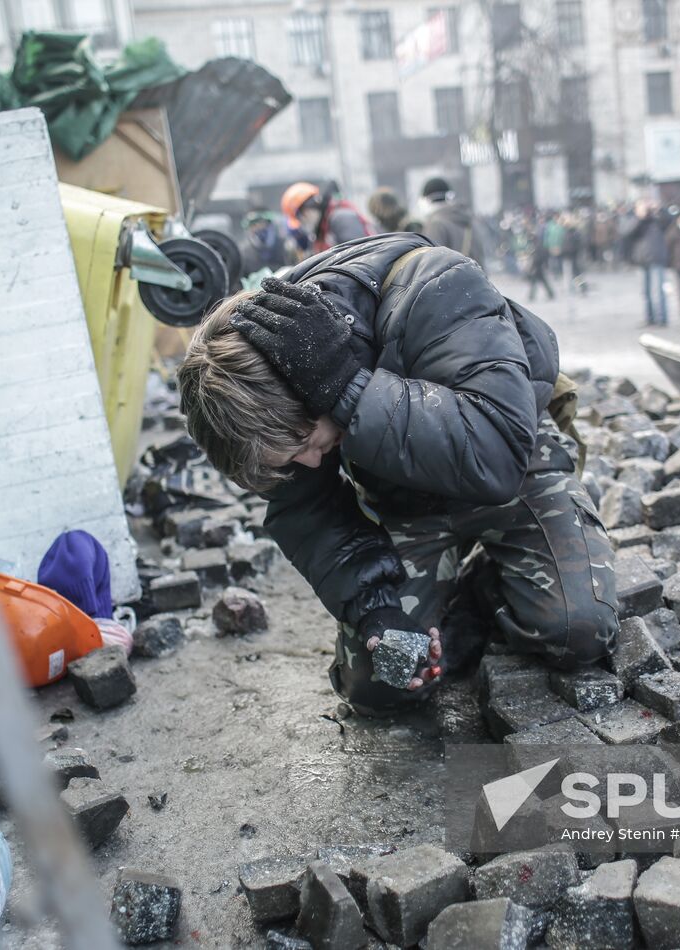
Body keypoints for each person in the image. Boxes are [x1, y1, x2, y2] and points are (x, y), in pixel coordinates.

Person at [176, 233, 619, 715]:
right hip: (405, 497)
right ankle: (462, 604)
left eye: (305, 446)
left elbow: (496, 455)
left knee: (579, 631)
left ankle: (494, 581)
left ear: (313, 386)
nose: (308, 463)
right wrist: (375, 610)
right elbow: (305, 508)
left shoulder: (435, 284)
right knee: (379, 685)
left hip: (513, 468)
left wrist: (349, 389)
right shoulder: (281, 380)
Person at [281, 180, 373, 255]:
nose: (302, 224)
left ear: (306, 211)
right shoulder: (321, 232)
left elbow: (360, 256)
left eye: (300, 219)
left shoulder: (340, 218)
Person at [623, 199, 671, 326]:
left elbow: (668, 220)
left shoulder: (657, 220)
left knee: (657, 290)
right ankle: (650, 318)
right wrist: (640, 218)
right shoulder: (636, 221)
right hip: (642, 259)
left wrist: (659, 209)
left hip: (656, 258)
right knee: (646, 292)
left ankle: (661, 318)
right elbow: (627, 232)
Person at [419, 176, 485, 267]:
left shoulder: (435, 224)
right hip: (476, 278)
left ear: (426, 200)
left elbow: (432, 264)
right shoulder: (469, 219)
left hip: (451, 280)